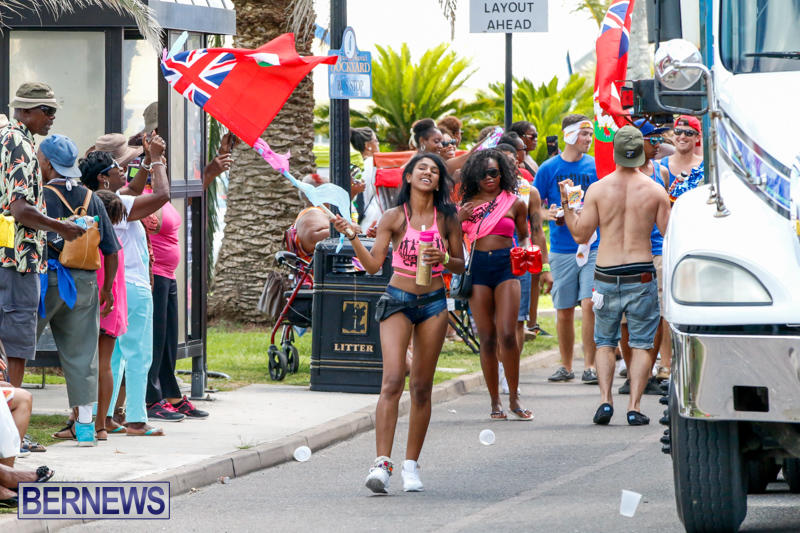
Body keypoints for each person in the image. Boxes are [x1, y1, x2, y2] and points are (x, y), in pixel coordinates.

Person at [333, 153, 465, 494]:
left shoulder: (447, 217)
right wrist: (352, 236)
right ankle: (381, 465)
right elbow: (374, 265)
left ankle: (411, 466)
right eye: (422, 168)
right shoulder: (393, 217)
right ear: (408, 177)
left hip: (433, 303)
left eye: (434, 170)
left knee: (421, 387)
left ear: (439, 181)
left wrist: (444, 258)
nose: (428, 173)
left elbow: (461, 265)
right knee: (392, 381)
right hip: (397, 301)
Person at [560, 125, 670, 425]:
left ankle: (605, 401)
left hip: (606, 273)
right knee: (642, 343)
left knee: (605, 342)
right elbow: (668, 234)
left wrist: (568, 206)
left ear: (615, 152)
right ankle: (634, 406)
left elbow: (580, 235)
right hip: (641, 272)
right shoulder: (655, 190)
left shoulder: (597, 189)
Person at [83, 134, 170, 436]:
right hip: (133, 285)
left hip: (116, 286)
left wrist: (145, 163)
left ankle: (105, 416)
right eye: (120, 166)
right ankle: (136, 419)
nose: (126, 170)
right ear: (104, 176)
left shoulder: (98, 199)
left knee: (114, 356)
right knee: (139, 354)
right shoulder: (119, 204)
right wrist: (156, 161)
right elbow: (162, 195)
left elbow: (133, 189)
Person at [35, 135, 120, 444]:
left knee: (18, 349)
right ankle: (85, 427)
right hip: (84, 283)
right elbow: (111, 250)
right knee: (83, 355)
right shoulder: (91, 197)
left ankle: (11, 422)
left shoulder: (39, 195)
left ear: (47, 163)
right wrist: (107, 289)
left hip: (45, 279)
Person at [0, 82, 85, 388]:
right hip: (17, 261)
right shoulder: (20, 145)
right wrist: (62, 227)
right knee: (16, 347)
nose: (52, 117)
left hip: (8, 258)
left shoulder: (6, 138)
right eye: (47, 111)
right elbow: (21, 209)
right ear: (24, 110)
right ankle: (13, 416)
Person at [459, 149, 533, 420]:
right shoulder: (466, 205)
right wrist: (458, 220)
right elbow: (451, 238)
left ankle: (514, 397)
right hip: (478, 268)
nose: (489, 178)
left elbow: (523, 235)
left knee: (507, 334)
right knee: (487, 338)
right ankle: (494, 402)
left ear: (503, 173)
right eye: (483, 174)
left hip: (506, 266)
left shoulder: (515, 203)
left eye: (494, 172)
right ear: (474, 176)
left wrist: (526, 252)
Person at [534, 114, 598, 384]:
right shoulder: (548, 168)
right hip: (561, 248)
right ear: (569, 135)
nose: (588, 139)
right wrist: (548, 214)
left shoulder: (595, 165)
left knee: (590, 304)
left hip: (593, 245)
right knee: (563, 308)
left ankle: (590, 366)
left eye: (590, 134)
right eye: (584, 134)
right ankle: (566, 365)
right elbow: (534, 206)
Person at [617, 119, 674, 395]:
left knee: (657, 315)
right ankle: (632, 374)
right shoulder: (620, 174)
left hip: (657, 251)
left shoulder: (661, 172)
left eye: (660, 139)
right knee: (627, 318)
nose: (659, 145)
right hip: (628, 253)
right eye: (654, 140)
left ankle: (648, 373)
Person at [93, 189, 128, 438]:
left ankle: (81, 420)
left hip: (98, 303)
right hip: (115, 309)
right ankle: (101, 425)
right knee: (105, 366)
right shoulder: (116, 241)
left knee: (85, 365)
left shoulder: (97, 241)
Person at [660, 115, 704, 202]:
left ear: (698, 137)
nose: (682, 136)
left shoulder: (705, 167)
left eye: (689, 133)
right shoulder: (659, 165)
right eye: (678, 131)